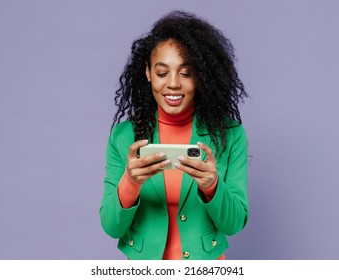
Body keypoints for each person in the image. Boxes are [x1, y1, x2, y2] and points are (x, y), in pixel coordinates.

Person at [100, 10, 249, 260]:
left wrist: (212, 185)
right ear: (147, 73)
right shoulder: (124, 136)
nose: (172, 84)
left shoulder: (230, 135)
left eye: (186, 72)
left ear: (200, 75)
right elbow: (111, 226)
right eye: (162, 72)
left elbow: (234, 225)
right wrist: (131, 182)